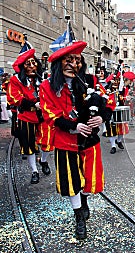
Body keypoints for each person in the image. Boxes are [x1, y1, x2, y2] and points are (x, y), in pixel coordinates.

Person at [40, 40, 113, 240]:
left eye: (77, 60)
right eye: (69, 59)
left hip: (89, 139)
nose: (74, 64)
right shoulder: (47, 86)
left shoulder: (90, 81)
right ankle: (79, 215)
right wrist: (73, 126)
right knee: (71, 180)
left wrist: (103, 115)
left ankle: (84, 200)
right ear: (59, 63)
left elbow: (109, 100)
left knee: (89, 179)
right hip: (65, 141)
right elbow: (49, 113)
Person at [7, 48, 51, 184]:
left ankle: (43, 161)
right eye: (28, 64)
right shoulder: (16, 80)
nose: (32, 66)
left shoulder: (44, 78)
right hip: (26, 116)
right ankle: (34, 171)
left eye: (34, 63)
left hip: (43, 115)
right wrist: (33, 103)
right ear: (22, 67)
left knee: (47, 142)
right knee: (29, 145)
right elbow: (14, 98)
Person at [104, 70, 132, 154]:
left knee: (121, 128)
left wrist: (127, 99)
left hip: (120, 110)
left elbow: (125, 98)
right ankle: (113, 146)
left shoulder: (123, 89)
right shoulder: (106, 89)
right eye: (114, 81)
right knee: (111, 129)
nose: (115, 82)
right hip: (110, 111)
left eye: (117, 80)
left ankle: (119, 141)